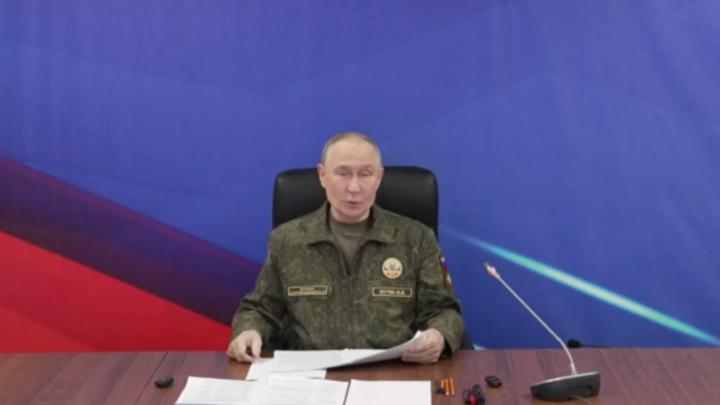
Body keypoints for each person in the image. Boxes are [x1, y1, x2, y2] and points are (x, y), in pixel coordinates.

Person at [228, 132, 464, 364]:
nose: (354, 187)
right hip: (311, 374)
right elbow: (260, 310)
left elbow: (443, 310)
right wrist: (249, 330)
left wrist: (439, 335)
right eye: (342, 173)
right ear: (322, 175)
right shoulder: (287, 240)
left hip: (393, 370)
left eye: (365, 174)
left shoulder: (416, 238)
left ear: (379, 177)